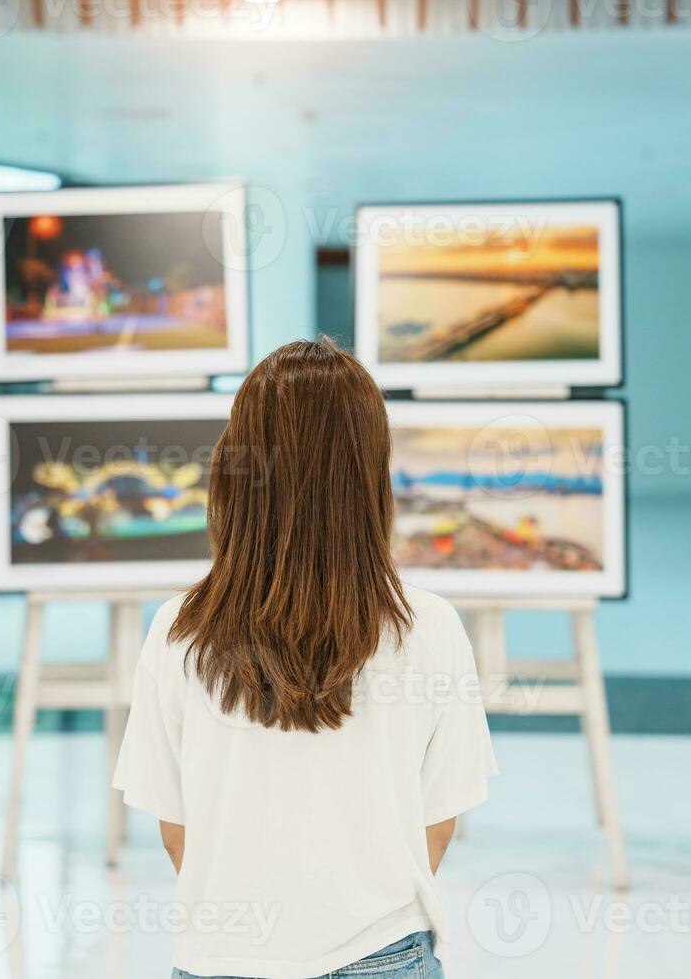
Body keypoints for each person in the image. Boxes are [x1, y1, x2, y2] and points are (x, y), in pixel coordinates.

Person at [113, 338, 498, 979]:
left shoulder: (179, 632)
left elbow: (176, 831)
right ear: (371, 473)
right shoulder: (430, 628)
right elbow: (436, 825)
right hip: (386, 953)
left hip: (221, 959)